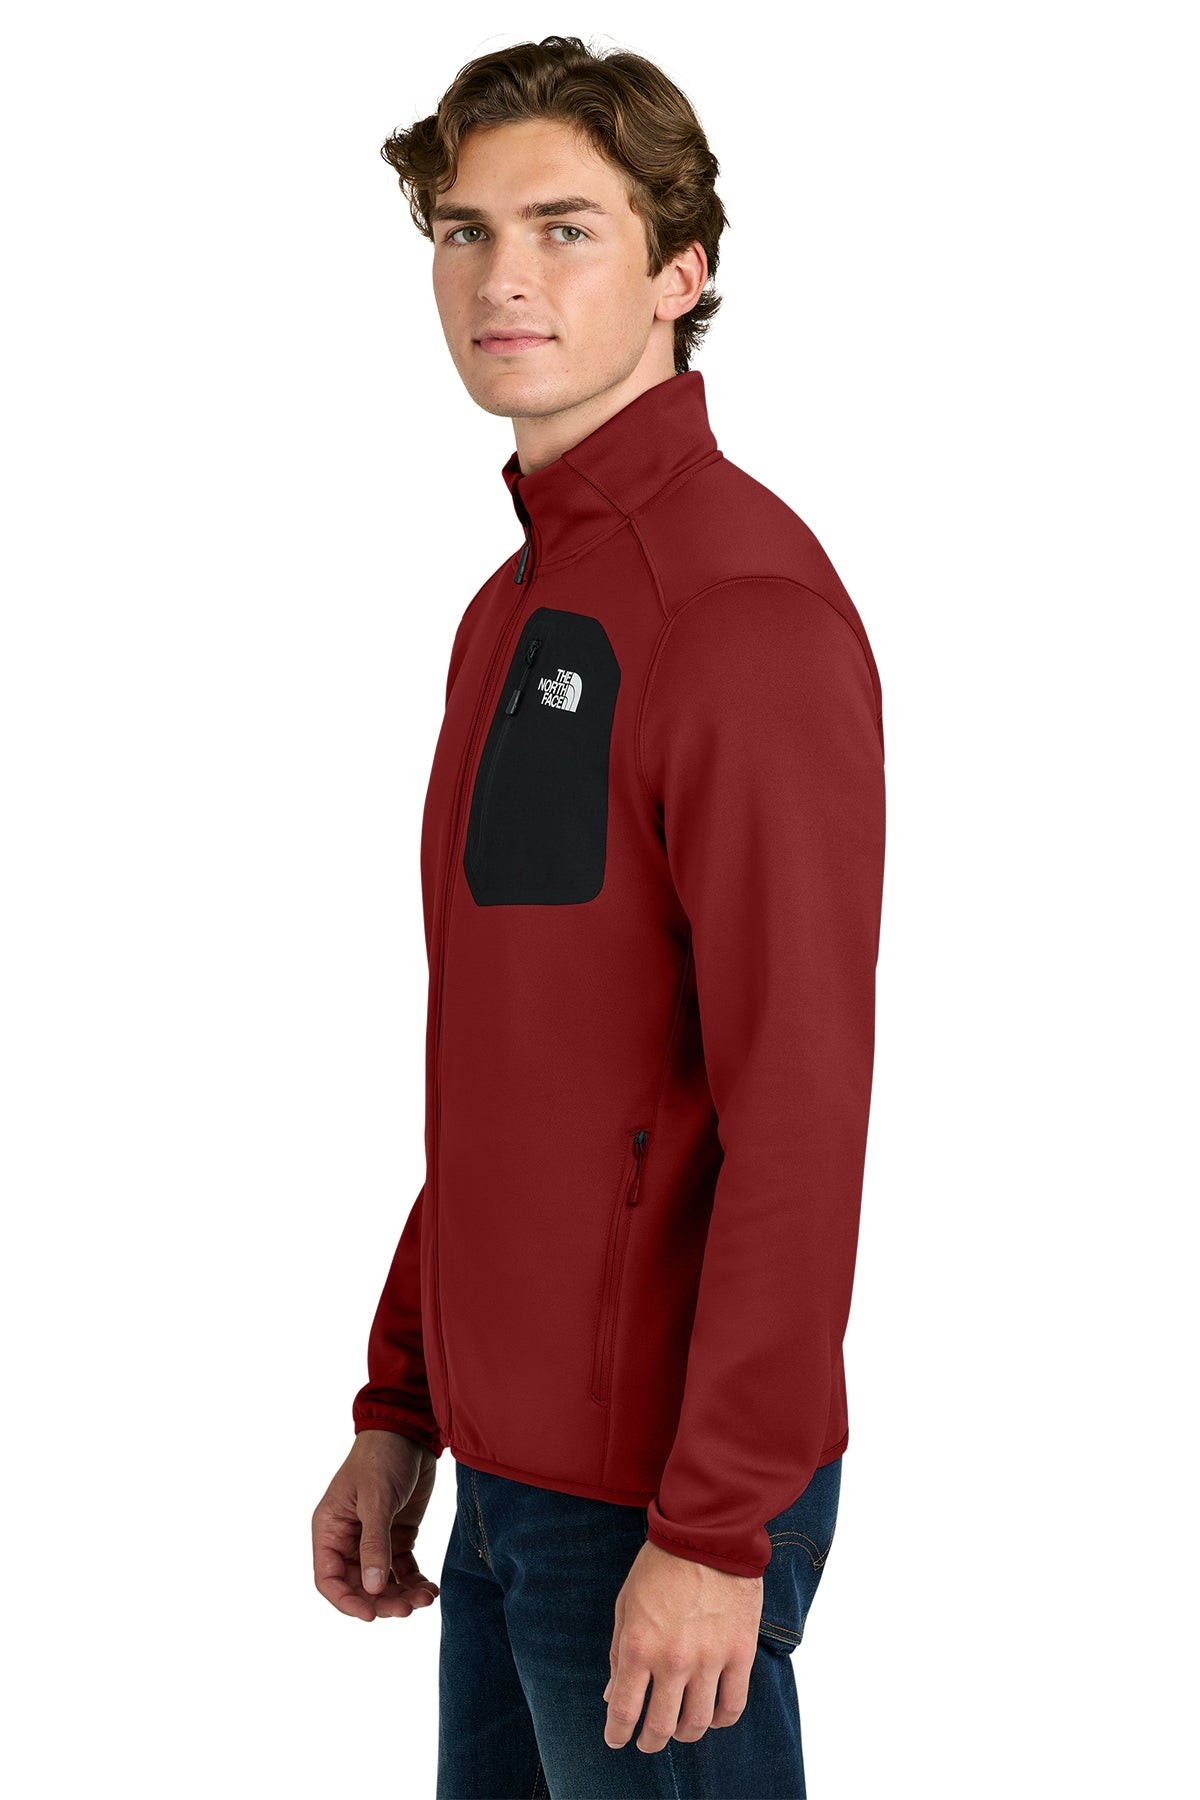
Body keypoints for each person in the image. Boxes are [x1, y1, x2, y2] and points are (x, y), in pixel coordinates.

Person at [311, 33, 886, 1798]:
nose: (505, 278)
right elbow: (517, 1071)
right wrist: (406, 1404)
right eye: (466, 230)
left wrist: (717, 1525)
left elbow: (800, 1110)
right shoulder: (516, 612)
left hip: (660, 1495)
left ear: (681, 270)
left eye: (566, 228)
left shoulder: (737, 610)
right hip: (509, 1481)